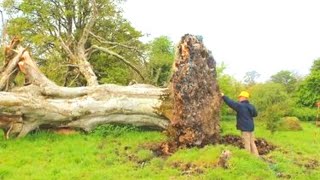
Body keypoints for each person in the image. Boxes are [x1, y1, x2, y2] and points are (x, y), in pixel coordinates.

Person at [221, 91, 259, 156]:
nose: (239, 98)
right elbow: (255, 114)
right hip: (251, 127)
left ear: (244, 97)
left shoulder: (240, 106)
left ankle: (248, 157)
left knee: (246, 143)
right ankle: (256, 156)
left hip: (245, 128)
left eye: (240, 97)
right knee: (252, 143)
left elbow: (231, 103)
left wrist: (223, 96)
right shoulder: (251, 106)